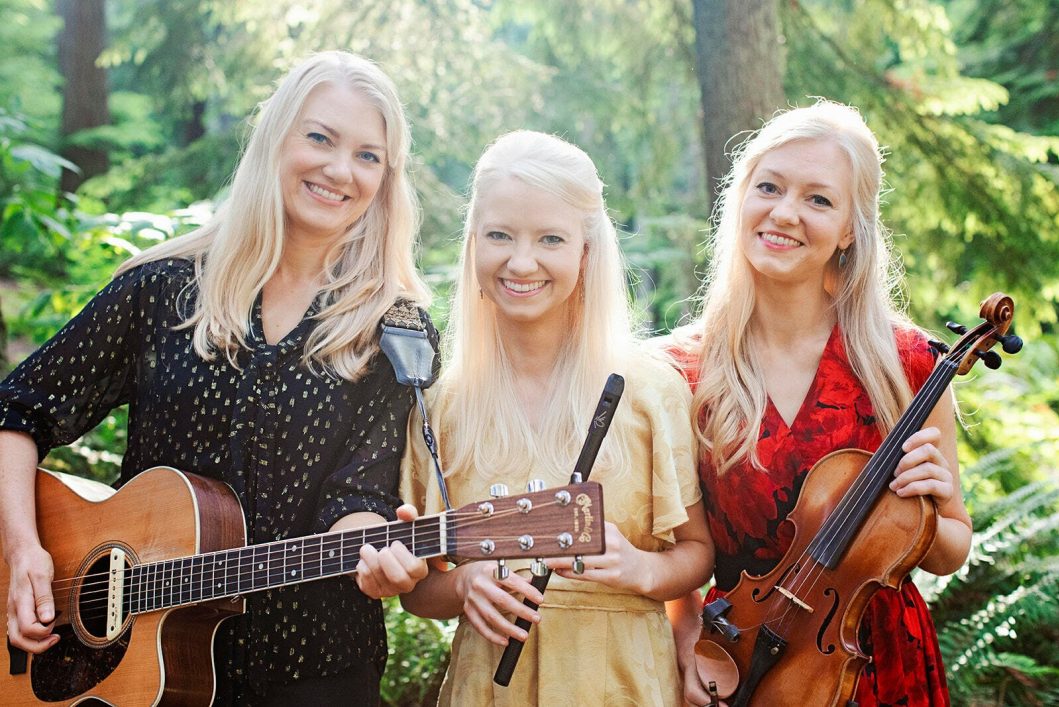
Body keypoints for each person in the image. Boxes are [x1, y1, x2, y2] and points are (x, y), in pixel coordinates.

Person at [0, 50, 434, 705]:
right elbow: (16, 410)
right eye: (320, 138)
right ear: (275, 139)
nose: (340, 170)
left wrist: (378, 553)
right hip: (129, 673)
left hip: (313, 669)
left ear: (386, 177)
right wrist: (24, 551)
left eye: (368, 155)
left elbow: (358, 495)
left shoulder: (396, 329)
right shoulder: (161, 292)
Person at [666, 100, 970, 706]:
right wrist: (685, 640)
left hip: (877, 659)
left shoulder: (904, 363)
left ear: (851, 229)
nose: (785, 213)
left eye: (818, 199)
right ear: (741, 198)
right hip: (741, 658)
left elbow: (951, 550)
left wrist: (933, 510)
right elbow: (677, 547)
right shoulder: (683, 371)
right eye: (769, 187)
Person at [395, 129, 713, 706]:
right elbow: (418, 590)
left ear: (586, 252)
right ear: (473, 244)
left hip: (623, 687)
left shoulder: (649, 390)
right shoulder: (441, 405)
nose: (521, 262)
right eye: (499, 235)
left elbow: (697, 552)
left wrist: (641, 569)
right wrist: (465, 583)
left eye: (550, 239)